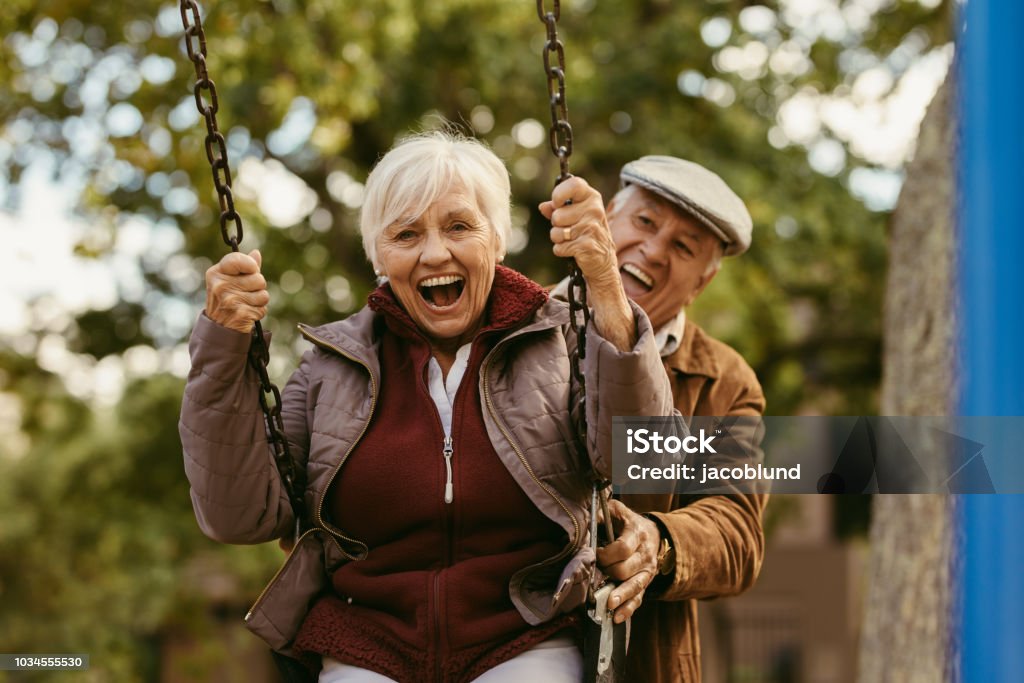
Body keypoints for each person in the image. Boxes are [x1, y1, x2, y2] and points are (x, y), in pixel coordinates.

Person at [178, 131, 675, 683]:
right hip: (365, 643)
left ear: (497, 239)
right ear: (379, 256)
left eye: (460, 226)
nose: (435, 252)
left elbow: (649, 474)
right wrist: (223, 347)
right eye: (406, 233)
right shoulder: (329, 369)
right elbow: (239, 517)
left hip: (527, 637)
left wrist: (605, 283)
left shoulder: (561, 343)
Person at [546, 155, 768, 683]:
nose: (653, 250)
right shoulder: (512, 324)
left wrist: (659, 541)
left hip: (640, 662)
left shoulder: (723, 381)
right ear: (608, 218)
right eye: (645, 222)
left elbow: (737, 532)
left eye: (684, 246)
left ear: (703, 282)